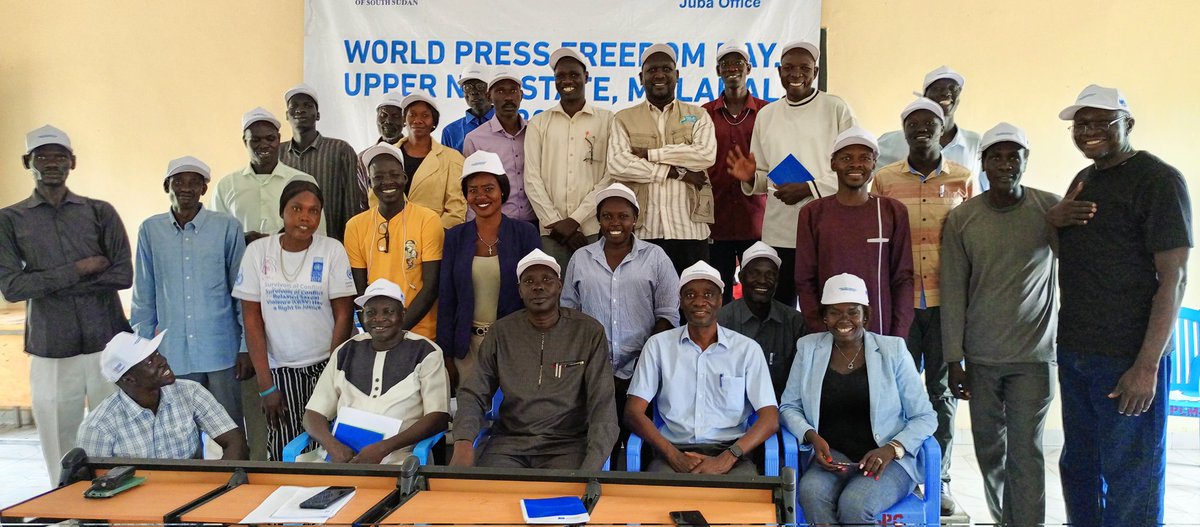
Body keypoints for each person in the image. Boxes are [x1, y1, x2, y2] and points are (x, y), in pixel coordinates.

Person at [1047, 85, 1192, 527]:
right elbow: (1067, 254)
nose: (1088, 132)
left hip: (1128, 357)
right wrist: (1053, 221)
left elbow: (1174, 277)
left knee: (1132, 474)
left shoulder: (1158, 180)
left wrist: (1146, 366)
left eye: (1100, 122)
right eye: (1081, 124)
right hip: (1076, 353)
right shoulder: (1085, 180)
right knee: (1080, 468)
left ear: (1127, 124)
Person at [940, 123, 1058, 527]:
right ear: (983, 163)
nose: (1005, 164)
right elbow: (953, 292)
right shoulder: (962, 220)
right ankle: (1005, 518)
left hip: (1034, 359)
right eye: (996, 157)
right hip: (982, 357)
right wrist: (954, 359)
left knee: (1026, 451)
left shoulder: (1050, 210)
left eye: (1014, 156)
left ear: (1026, 161)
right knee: (991, 450)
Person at [0, 125, 132, 483]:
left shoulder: (99, 212)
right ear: (27, 162)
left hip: (106, 343)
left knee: (116, 435)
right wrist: (81, 267)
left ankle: (115, 507)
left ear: (72, 161)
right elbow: (12, 287)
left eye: (60, 156)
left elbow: (122, 275)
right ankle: (66, 508)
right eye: (42, 156)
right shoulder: (10, 220)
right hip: (51, 346)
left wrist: (45, 283)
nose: (52, 163)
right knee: (59, 438)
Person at [870, 97, 975, 514]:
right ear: (904, 129)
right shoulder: (884, 179)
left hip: (948, 303)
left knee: (941, 391)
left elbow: (973, 241)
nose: (921, 129)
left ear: (943, 126)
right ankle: (901, 472)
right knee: (896, 391)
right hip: (900, 304)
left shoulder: (965, 179)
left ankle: (940, 477)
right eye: (913, 122)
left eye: (929, 122)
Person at [780, 273, 936, 525]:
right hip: (834, 457)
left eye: (853, 312)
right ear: (824, 318)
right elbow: (789, 406)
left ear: (866, 315)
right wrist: (812, 436)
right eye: (834, 312)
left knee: (855, 504)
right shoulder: (808, 348)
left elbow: (925, 416)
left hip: (887, 461)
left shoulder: (893, 350)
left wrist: (890, 449)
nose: (844, 320)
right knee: (811, 493)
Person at [451, 249, 618, 470]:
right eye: (528, 281)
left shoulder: (587, 332)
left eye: (547, 280)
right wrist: (463, 443)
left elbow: (602, 404)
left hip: (567, 444)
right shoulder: (502, 332)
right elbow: (474, 392)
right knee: (488, 498)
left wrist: (591, 466)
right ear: (520, 291)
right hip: (509, 444)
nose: (538, 286)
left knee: (560, 502)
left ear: (559, 287)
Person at [232, 180, 357, 461]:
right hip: (281, 372)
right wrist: (266, 385)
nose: (305, 217)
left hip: (325, 367)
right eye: (297, 208)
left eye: (314, 211)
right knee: (285, 447)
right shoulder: (258, 253)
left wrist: (332, 371)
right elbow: (252, 323)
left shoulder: (331, 250)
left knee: (330, 444)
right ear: (282, 211)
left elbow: (344, 315)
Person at [727, 40, 856, 307]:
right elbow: (765, 178)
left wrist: (809, 188)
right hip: (780, 230)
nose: (796, 74)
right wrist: (751, 177)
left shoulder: (835, 108)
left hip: (825, 226)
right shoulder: (767, 115)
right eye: (789, 68)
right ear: (779, 72)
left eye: (804, 68)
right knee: (781, 308)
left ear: (815, 72)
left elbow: (854, 169)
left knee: (826, 305)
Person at [626, 261, 778, 475]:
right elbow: (633, 412)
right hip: (673, 452)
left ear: (720, 300)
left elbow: (770, 418)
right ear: (680, 302)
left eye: (708, 295)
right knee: (658, 501)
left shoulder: (746, 349)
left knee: (744, 503)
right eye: (690, 295)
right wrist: (673, 455)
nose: (699, 302)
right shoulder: (658, 346)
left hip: (731, 453)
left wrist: (727, 458)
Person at [561, 182, 679, 457]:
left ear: (635, 219)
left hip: (643, 370)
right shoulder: (581, 258)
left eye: (623, 216)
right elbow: (569, 313)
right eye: (607, 216)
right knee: (600, 445)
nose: (615, 223)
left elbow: (667, 315)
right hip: (592, 369)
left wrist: (645, 362)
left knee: (642, 446)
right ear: (599, 220)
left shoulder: (655, 257)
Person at [131, 156, 249, 427]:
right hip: (173, 355)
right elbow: (144, 297)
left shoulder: (226, 227)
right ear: (166, 186)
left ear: (204, 189)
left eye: (194, 183)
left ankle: (233, 472)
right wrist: (143, 350)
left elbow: (241, 292)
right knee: (180, 432)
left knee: (229, 427)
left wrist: (246, 347)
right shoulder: (150, 230)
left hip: (222, 351)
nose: (186, 188)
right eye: (178, 182)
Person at [302, 279, 450, 464]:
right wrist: (333, 447)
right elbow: (313, 414)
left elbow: (438, 417)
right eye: (370, 313)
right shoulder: (346, 351)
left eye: (388, 312)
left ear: (403, 314)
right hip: (341, 459)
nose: (378, 319)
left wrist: (384, 448)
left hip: (398, 459)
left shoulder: (426, 352)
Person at [608, 43, 717, 274]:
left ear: (676, 75)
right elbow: (618, 164)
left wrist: (651, 154)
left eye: (666, 69)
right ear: (641, 77)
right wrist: (675, 172)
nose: (659, 75)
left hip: (691, 231)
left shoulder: (698, 115)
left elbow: (705, 155)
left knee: (692, 306)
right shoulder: (623, 119)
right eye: (652, 70)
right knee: (645, 307)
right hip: (645, 233)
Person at [794, 126, 913, 337]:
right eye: (847, 157)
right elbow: (805, 280)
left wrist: (898, 336)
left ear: (874, 164)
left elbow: (902, 278)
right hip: (830, 336)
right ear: (833, 164)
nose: (856, 164)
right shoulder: (813, 213)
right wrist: (820, 332)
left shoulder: (892, 211)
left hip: (881, 334)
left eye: (865, 158)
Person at [437, 151, 541, 390]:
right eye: (473, 190)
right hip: (467, 347)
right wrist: (446, 355)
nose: (481, 196)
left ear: (502, 191)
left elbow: (538, 293)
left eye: (488, 188)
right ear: (465, 195)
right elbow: (446, 299)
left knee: (511, 417)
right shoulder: (455, 237)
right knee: (472, 418)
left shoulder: (525, 233)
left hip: (514, 344)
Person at [76, 331, 248, 460]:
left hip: (192, 495)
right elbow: (95, 487)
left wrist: (221, 488)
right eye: (150, 361)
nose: (162, 361)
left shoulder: (191, 392)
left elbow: (234, 441)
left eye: (157, 353)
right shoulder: (98, 427)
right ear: (129, 378)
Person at [524, 47, 613, 270]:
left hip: (592, 228)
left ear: (586, 77)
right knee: (554, 296)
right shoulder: (539, 122)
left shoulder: (607, 120)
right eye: (560, 76)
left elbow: (610, 176)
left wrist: (576, 220)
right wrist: (556, 223)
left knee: (593, 296)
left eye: (574, 74)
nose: (567, 80)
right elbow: (532, 178)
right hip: (551, 233)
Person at [344, 143, 444, 341]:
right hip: (377, 334)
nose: (387, 181)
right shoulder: (355, 226)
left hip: (422, 333)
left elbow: (431, 287)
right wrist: (377, 331)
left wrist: (395, 332)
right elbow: (358, 289)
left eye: (394, 175)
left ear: (404, 178)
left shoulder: (428, 219)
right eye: (378, 177)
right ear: (370, 184)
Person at [702, 42, 768, 303]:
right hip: (714, 223)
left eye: (738, 63)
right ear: (718, 71)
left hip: (758, 221)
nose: (732, 69)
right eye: (726, 65)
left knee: (758, 293)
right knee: (719, 294)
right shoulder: (703, 114)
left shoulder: (766, 112)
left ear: (749, 68)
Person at [212, 107, 326, 244]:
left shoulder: (303, 181)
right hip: (242, 263)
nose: (264, 145)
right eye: (255, 140)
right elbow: (215, 235)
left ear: (278, 139)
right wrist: (241, 239)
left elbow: (319, 236)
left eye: (270, 138)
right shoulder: (226, 185)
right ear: (245, 141)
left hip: (294, 262)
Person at [717, 242, 806, 400]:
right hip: (731, 413)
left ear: (777, 281)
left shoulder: (794, 322)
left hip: (782, 410)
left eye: (770, 274)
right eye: (754, 273)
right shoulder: (722, 320)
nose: (762, 280)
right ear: (741, 277)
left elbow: (800, 383)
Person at [876, 66, 984, 190]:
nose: (946, 93)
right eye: (937, 89)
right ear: (924, 98)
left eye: (953, 88)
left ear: (958, 99)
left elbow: (985, 189)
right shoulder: (893, 141)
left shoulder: (976, 143)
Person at [280, 83, 363, 243]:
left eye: (307, 105)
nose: (300, 110)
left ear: (317, 115)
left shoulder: (340, 150)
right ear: (286, 115)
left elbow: (352, 208)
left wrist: (349, 249)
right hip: (285, 248)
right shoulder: (278, 153)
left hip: (330, 246)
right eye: (294, 106)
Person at [463, 70, 537, 226]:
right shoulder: (475, 139)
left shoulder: (536, 133)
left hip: (535, 224)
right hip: (494, 225)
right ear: (489, 96)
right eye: (500, 91)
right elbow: (471, 188)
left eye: (513, 91)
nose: (508, 97)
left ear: (521, 95)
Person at [389, 90, 466, 229]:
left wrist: (425, 234)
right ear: (404, 120)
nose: (417, 120)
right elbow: (375, 202)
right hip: (390, 236)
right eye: (412, 114)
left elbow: (456, 212)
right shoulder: (387, 155)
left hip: (432, 240)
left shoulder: (452, 159)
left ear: (434, 122)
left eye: (425, 115)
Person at [355, 93, 406, 212]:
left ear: (404, 121)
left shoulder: (413, 154)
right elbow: (362, 201)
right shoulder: (363, 159)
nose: (388, 121)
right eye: (383, 115)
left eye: (395, 116)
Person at [441, 64, 494, 153]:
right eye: (467, 87)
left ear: (491, 90)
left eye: (480, 86)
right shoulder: (450, 132)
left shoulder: (510, 126)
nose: (473, 92)